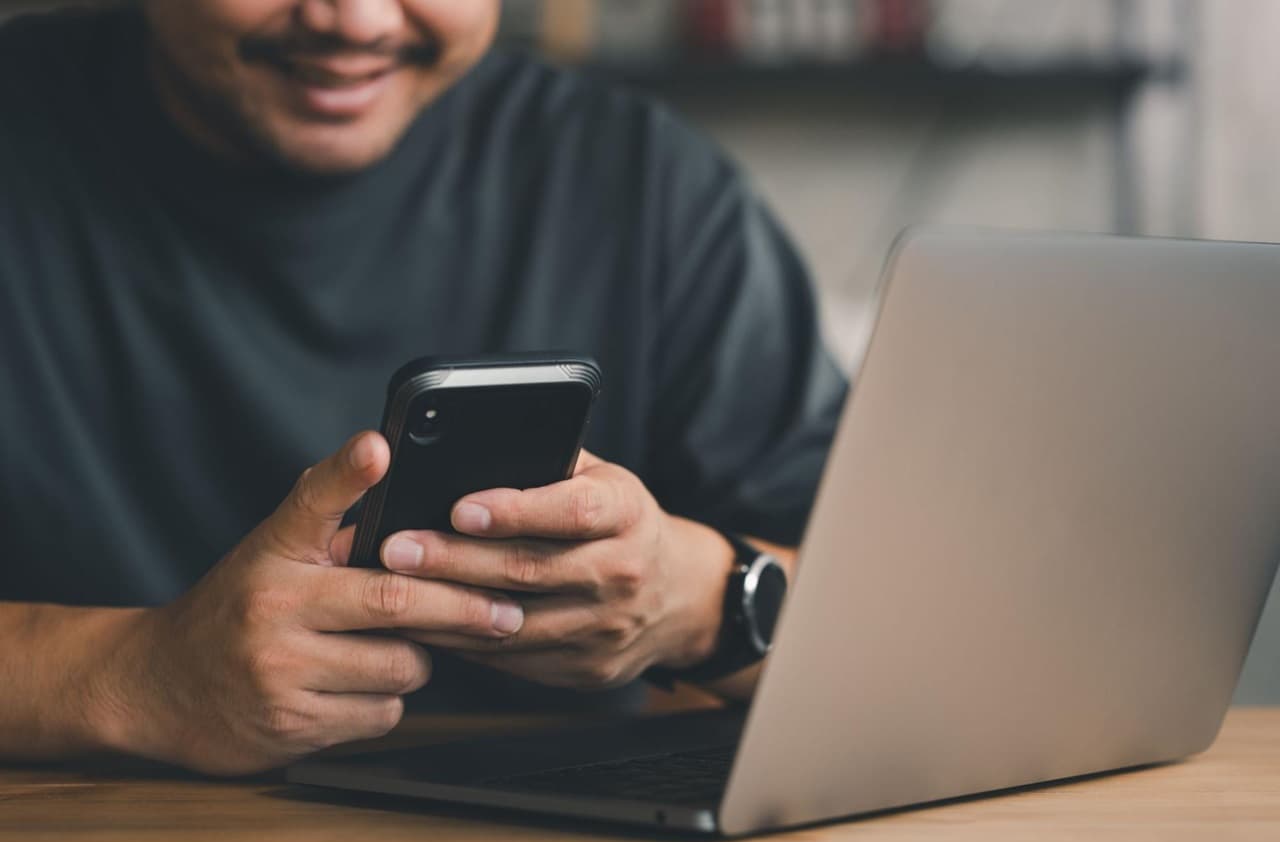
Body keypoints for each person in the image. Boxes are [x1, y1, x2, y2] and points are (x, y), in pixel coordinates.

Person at [0, 0, 847, 775]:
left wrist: (697, 604)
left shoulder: (645, 183)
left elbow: (922, 624)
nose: (359, 21)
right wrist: (134, 673)